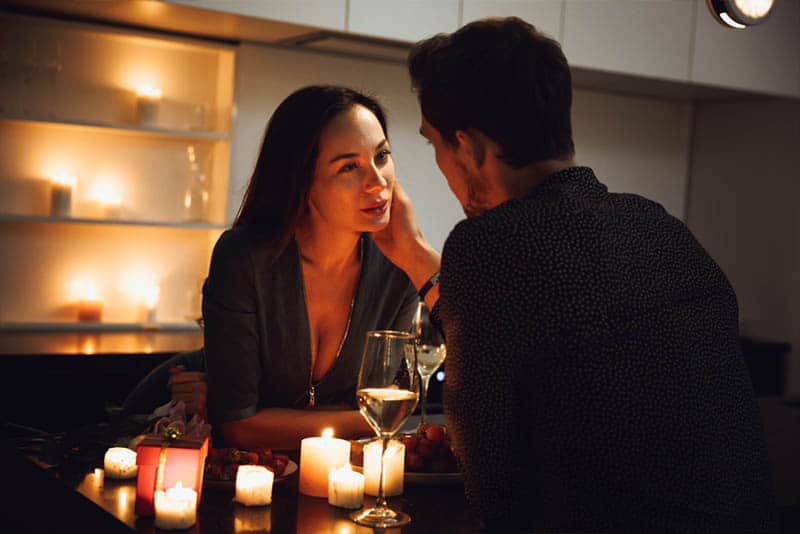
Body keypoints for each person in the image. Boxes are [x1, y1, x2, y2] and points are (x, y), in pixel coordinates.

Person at [372, 17, 776, 532]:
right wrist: (413, 254)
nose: (440, 165)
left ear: (470, 147)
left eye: (435, 145)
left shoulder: (491, 246)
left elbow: (493, 487)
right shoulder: (658, 225)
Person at [201, 86, 418, 450]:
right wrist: (356, 417)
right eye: (349, 167)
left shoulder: (400, 266)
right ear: (301, 180)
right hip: (249, 479)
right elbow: (238, 426)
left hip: (345, 484)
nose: (378, 181)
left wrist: (274, 417)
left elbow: (394, 408)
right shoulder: (243, 258)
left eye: (381, 156)